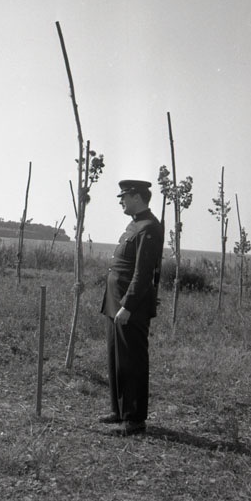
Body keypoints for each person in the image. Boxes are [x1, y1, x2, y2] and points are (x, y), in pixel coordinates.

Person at [100, 179, 164, 436]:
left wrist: (127, 305)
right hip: (115, 302)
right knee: (116, 358)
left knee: (132, 361)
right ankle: (119, 410)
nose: (121, 202)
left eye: (124, 197)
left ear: (137, 197)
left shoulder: (149, 227)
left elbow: (143, 273)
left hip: (130, 306)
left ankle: (135, 419)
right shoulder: (134, 224)